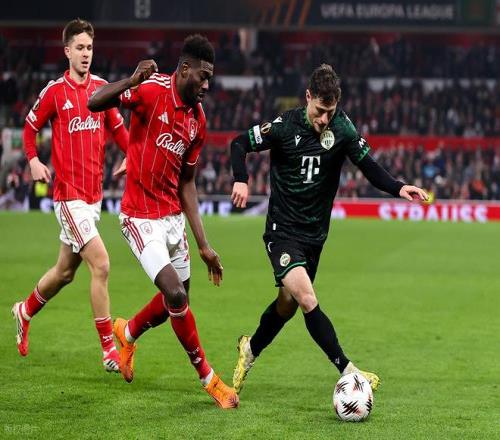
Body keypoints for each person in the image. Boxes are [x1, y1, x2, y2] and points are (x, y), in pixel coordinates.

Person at [230, 64, 429, 395]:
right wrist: (241, 178)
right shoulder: (284, 126)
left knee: (287, 304)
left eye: (330, 112)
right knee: (307, 299)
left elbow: (368, 166)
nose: (324, 119)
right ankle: (350, 371)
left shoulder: (342, 128)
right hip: (282, 231)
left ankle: (250, 349)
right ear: (308, 96)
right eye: (320, 110)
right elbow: (239, 143)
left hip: (315, 237)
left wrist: (398, 187)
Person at [87, 34, 239, 409]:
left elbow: (187, 183)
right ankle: (210, 380)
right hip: (139, 216)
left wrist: (203, 244)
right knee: (176, 295)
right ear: (184, 68)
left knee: (178, 297)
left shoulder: (197, 121)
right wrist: (131, 79)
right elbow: (94, 102)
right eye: (203, 76)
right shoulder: (150, 90)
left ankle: (128, 332)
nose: (207, 85)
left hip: (171, 218)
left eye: (210, 78)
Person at [12, 19, 129, 372]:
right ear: (67, 51)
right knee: (102, 264)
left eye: (89, 48)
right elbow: (30, 127)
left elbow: (119, 129)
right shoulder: (54, 92)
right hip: (68, 197)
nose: (85, 54)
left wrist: (130, 155)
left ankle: (24, 311)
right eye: (79, 48)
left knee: (64, 272)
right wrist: (33, 160)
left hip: (92, 199)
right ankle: (108, 349)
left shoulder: (102, 90)